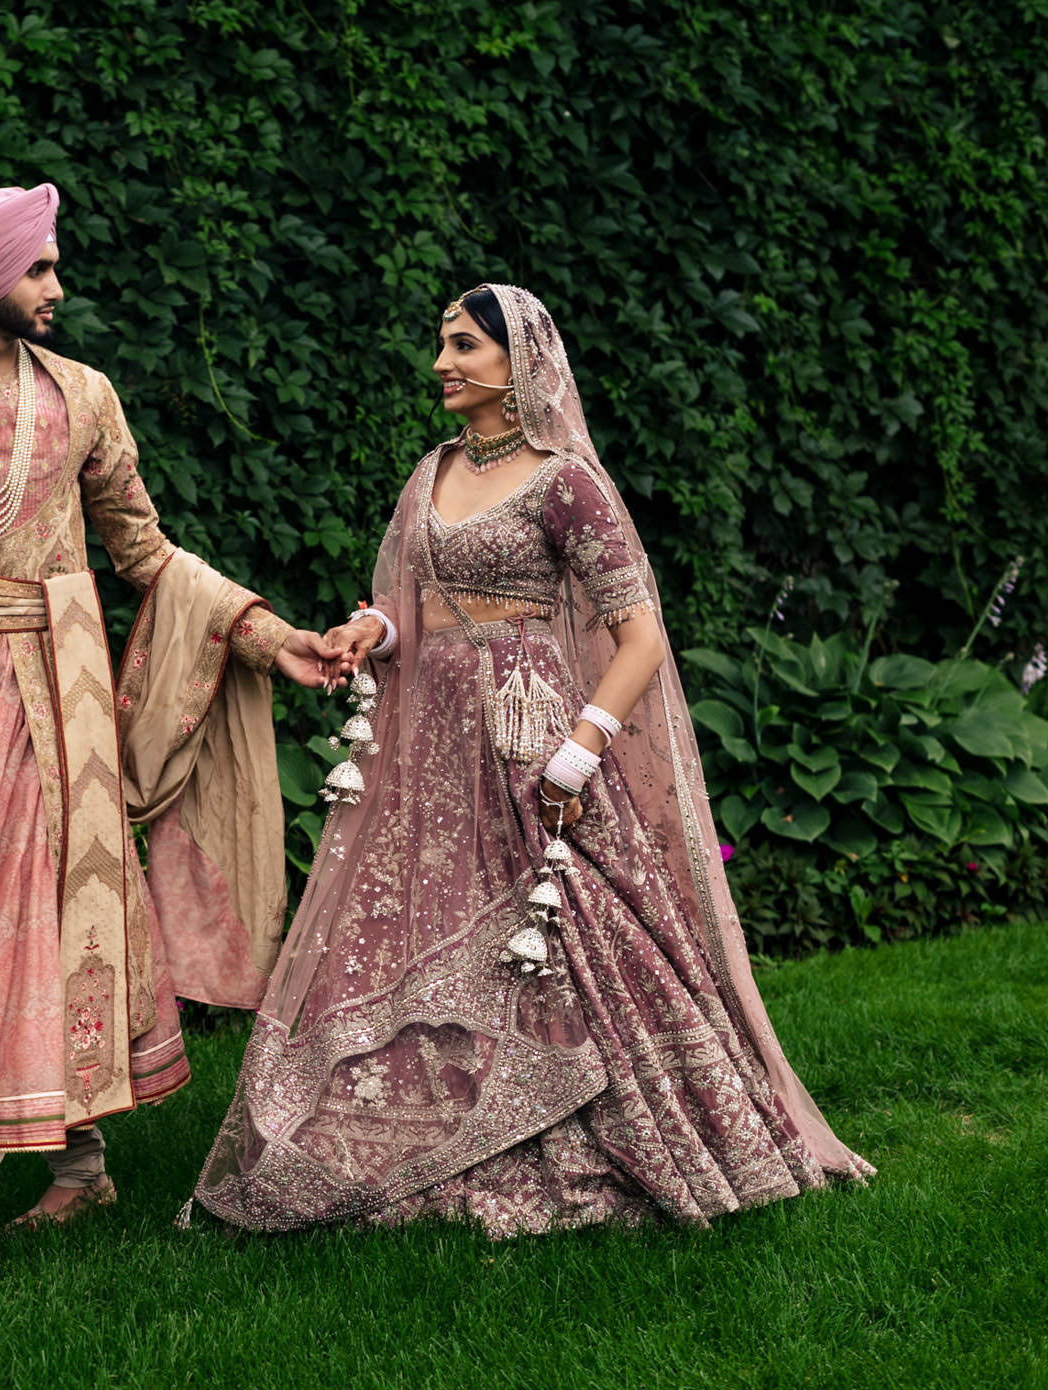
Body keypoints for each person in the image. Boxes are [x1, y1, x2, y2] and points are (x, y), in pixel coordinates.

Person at [193, 283, 872, 1238]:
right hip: (432, 746)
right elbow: (408, 598)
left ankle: (602, 1129)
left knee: (568, 924)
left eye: (465, 346)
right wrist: (363, 629)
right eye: (442, 344)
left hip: (530, 735)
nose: (443, 363)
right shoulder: (430, 472)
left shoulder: (566, 482)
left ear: (521, 366)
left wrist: (582, 748)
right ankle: (430, 1128)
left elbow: (640, 637)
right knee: (422, 918)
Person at [0, 183, 343, 1316]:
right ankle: (85, 1169)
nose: (58, 286)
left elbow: (142, 548)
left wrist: (266, 633)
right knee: (2, 929)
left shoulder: (84, 397)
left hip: (57, 709)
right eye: (39, 267)